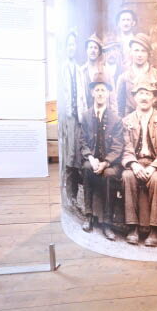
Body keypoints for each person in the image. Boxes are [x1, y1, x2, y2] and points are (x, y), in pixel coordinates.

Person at [121, 81, 157, 247]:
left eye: (148, 94)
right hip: (135, 163)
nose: (144, 97)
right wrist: (133, 165)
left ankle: (155, 230)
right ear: (134, 97)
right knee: (127, 176)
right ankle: (132, 227)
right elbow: (125, 147)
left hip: (155, 164)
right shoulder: (127, 121)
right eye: (140, 93)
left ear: (154, 99)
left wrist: (154, 167)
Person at [78, 73, 123, 240]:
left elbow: (118, 147)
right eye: (97, 90)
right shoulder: (86, 116)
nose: (100, 93)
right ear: (92, 93)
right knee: (87, 168)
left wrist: (106, 162)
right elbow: (82, 141)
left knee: (109, 175)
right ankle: (88, 215)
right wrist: (90, 157)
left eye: (103, 90)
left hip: (110, 163)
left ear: (108, 93)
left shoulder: (116, 119)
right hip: (93, 160)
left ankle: (107, 222)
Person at [116, 33, 157, 117]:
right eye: (136, 50)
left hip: (156, 124)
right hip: (131, 124)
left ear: (148, 54)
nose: (139, 55)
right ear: (131, 52)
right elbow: (119, 109)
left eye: (143, 51)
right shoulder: (124, 78)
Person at [60, 31, 87, 207]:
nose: (71, 48)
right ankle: (68, 196)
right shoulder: (61, 69)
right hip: (66, 119)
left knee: (78, 156)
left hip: (78, 119)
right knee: (68, 156)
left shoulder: (79, 70)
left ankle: (75, 197)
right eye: (68, 45)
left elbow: (82, 96)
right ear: (64, 48)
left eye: (73, 45)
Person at [81, 33, 104, 109]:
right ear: (86, 50)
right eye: (90, 47)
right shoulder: (81, 71)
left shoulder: (105, 71)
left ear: (99, 52)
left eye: (95, 48)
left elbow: (112, 97)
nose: (93, 50)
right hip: (86, 114)